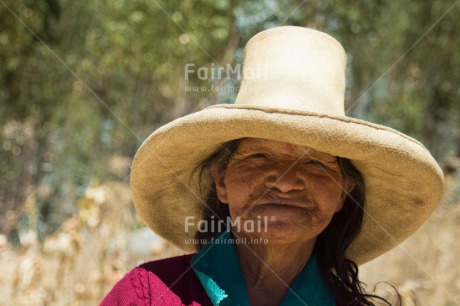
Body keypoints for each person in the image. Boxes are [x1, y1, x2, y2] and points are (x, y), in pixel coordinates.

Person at [100, 26, 444, 305]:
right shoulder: (147, 295)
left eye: (315, 164)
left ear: (343, 193)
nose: (285, 182)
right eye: (260, 156)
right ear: (221, 180)